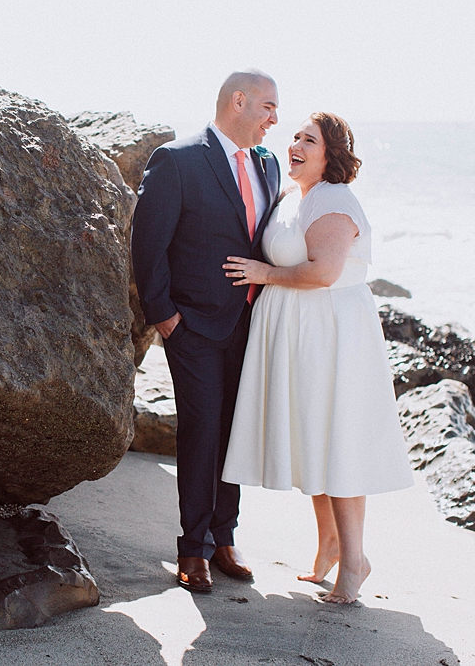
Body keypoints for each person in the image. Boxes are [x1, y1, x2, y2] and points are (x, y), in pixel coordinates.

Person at [221, 112, 414, 604]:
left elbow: (325, 272)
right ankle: (328, 544)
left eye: (310, 139)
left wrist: (264, 274)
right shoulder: (293, 198)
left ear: (331, 155)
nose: (296, 145)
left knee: (337, 441)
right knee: (313, 438)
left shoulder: (333, 200)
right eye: (296, 137)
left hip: (331, 332)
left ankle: (355, 562)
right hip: (297, 330)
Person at [131, 70, 281, 592]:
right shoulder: (177, 159)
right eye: (267, 106)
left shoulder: (268, 165)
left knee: (236, 430)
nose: (274, 119)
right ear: (238, 101)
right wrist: (165, 317)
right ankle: (191, 548)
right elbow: (148, 244)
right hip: (192, 326)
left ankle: (223, 537)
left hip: (251, 324)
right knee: (202, 430)